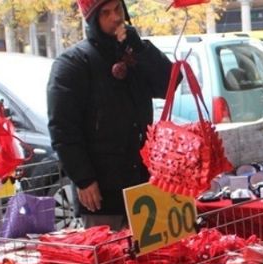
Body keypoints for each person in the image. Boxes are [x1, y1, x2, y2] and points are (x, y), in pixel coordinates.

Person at [47, 0, 174, 230]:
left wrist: (142, 50)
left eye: (117, 9)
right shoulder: (72, 64)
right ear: (93, 20)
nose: (115, 18)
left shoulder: (133, 53)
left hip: (143, 184)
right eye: (106, 13)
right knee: (110, 261)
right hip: (102, 192)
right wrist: (83, 179)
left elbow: (169, 85)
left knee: (150, 262)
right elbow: (63, 128)